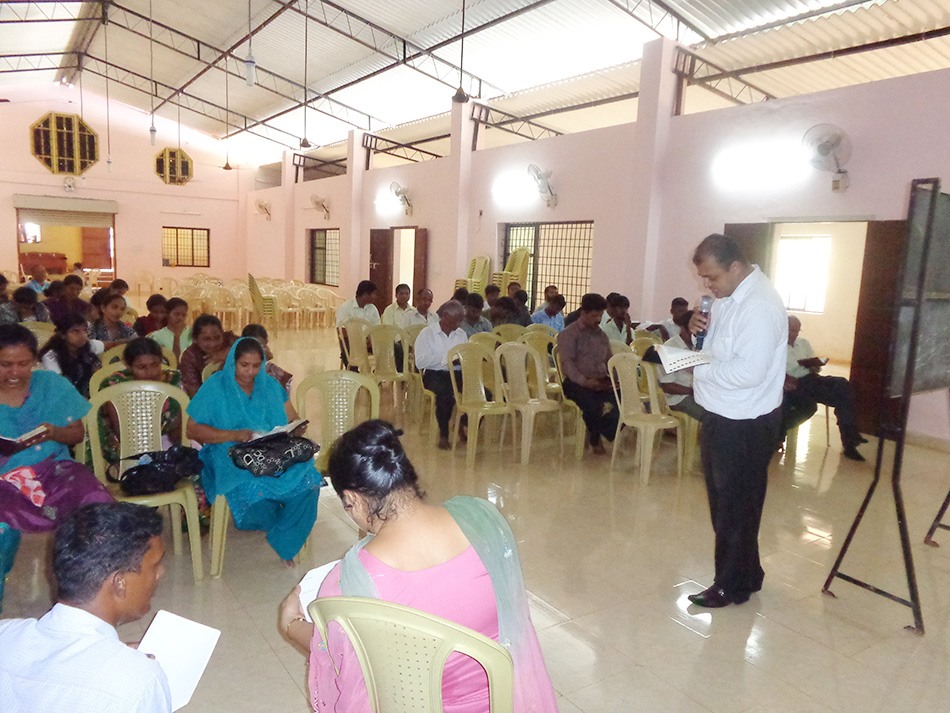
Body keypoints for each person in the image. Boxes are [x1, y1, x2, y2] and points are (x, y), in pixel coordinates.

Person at [279, 420, 558, 713]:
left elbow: (335, 654)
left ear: (353, 499)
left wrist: (291, 625)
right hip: (509, 700)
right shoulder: (483, 520)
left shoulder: (348, 582)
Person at [687, 233, 787, 608]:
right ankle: (749, 573)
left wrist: (696, 367)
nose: (707, 285)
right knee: (734, 505)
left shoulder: (758, 306)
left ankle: (730, 587)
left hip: (743, 423)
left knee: (733, 508)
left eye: (711, 277)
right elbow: (717, 349)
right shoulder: (728, 298)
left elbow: (748, 372)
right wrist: (697, 331)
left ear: (735, 267)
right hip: (723, 414)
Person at [0, 502, 171, 713]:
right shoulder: (140, 682)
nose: (161, 573)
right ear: (120, 583)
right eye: (155, 565)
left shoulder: (5, 634)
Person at [187, 338, 322, 564]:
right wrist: (233, 435)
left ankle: (284, 538)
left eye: (256, 366)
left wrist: (296, 427)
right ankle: (284, 531)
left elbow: (292, 417)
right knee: (252, 493)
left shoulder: (270, 385)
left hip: (272, 452)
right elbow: (192, 429)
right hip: (229, 453)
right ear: (232, 362)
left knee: (309, 481)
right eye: (244, 365)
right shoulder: (215, 386)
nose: (250, 372)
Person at [0, 324, 112, 532]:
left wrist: (54, 433)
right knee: (5, 521)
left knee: (93, 498)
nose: (14, 372)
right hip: (4, 481)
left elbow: (77, 434)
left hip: (55, 471)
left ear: (34, 360)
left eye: (23, 364)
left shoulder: (51, 384)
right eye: (5, 364)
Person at [783, 315, 866, 461]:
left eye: (797, 330)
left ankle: (850, 436)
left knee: (843, 385)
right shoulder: (777, 346)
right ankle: (850, 440)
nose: (794, 334)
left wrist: (815, 366)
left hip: (811, 378)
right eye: (791, 330)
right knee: (841, 399)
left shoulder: (803, 343)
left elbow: (814, 365)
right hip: (796, 384)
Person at [556, 293, 618, 455]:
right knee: (593, 405)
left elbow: (609, 360)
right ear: (583, 313)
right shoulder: (568, 334)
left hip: (601, 380)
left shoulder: (601, 336)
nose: (598, 320)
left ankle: (599, 429)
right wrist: (585, 381)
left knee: (625, 401)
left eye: (600, 316)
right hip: (576, 383)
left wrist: (615, 380)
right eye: (594, 316)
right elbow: (568, 365)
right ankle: (595, 438)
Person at [414, 300, 468, 450]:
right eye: (456, 320)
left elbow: (464, 355)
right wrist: (447, 360)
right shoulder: (427, 334)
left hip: (457, 373)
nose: (459, 324)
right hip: (434, 374)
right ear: (445, 316)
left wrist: (463, 360)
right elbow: (420, 362)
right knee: (445, 396)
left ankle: (462, 423)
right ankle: (444, 434)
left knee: (484, 394)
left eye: (460, 320)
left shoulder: (461, 334)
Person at [38, 312, 105, 398]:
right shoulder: (51, 356)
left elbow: (111, 345)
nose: (83, 336)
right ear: (63, 334)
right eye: (76, 331)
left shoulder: (88, 346)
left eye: (85, 331)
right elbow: (59, 386)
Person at [658, 310, 706, 421]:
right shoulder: (670, 348)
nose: (697, 335)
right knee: (709, 417)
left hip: (698, 393)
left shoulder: (700, 345)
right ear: (683, 328)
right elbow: (667, 386)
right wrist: (693, 391)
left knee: (722, 411)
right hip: (678, 398)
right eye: (693, 332)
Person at [178, 314, 233, 397]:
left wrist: (230, 353)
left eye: (217, 337)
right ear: (195, 339)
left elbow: (251, 346)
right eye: (206, 339)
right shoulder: (190, 357)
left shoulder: (230, 341)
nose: (213, 344)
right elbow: (194, 394)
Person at [336, 280, 381, 368]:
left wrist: (371, 338)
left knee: (386, 348)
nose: (375, 297)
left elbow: (377, 327)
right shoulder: (345, 307)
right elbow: (341, 330)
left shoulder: (372, 308)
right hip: (351, 340)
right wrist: (359, 340)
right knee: (348, 353)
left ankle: (379, 372)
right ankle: (354, 373)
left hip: (368, 340)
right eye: (374, 294)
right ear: (365, 294)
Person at [242, 323, 293, 391]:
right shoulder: (234, 374)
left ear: (266, 344)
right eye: (251, 348)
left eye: (259, 347)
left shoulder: (282, 378)